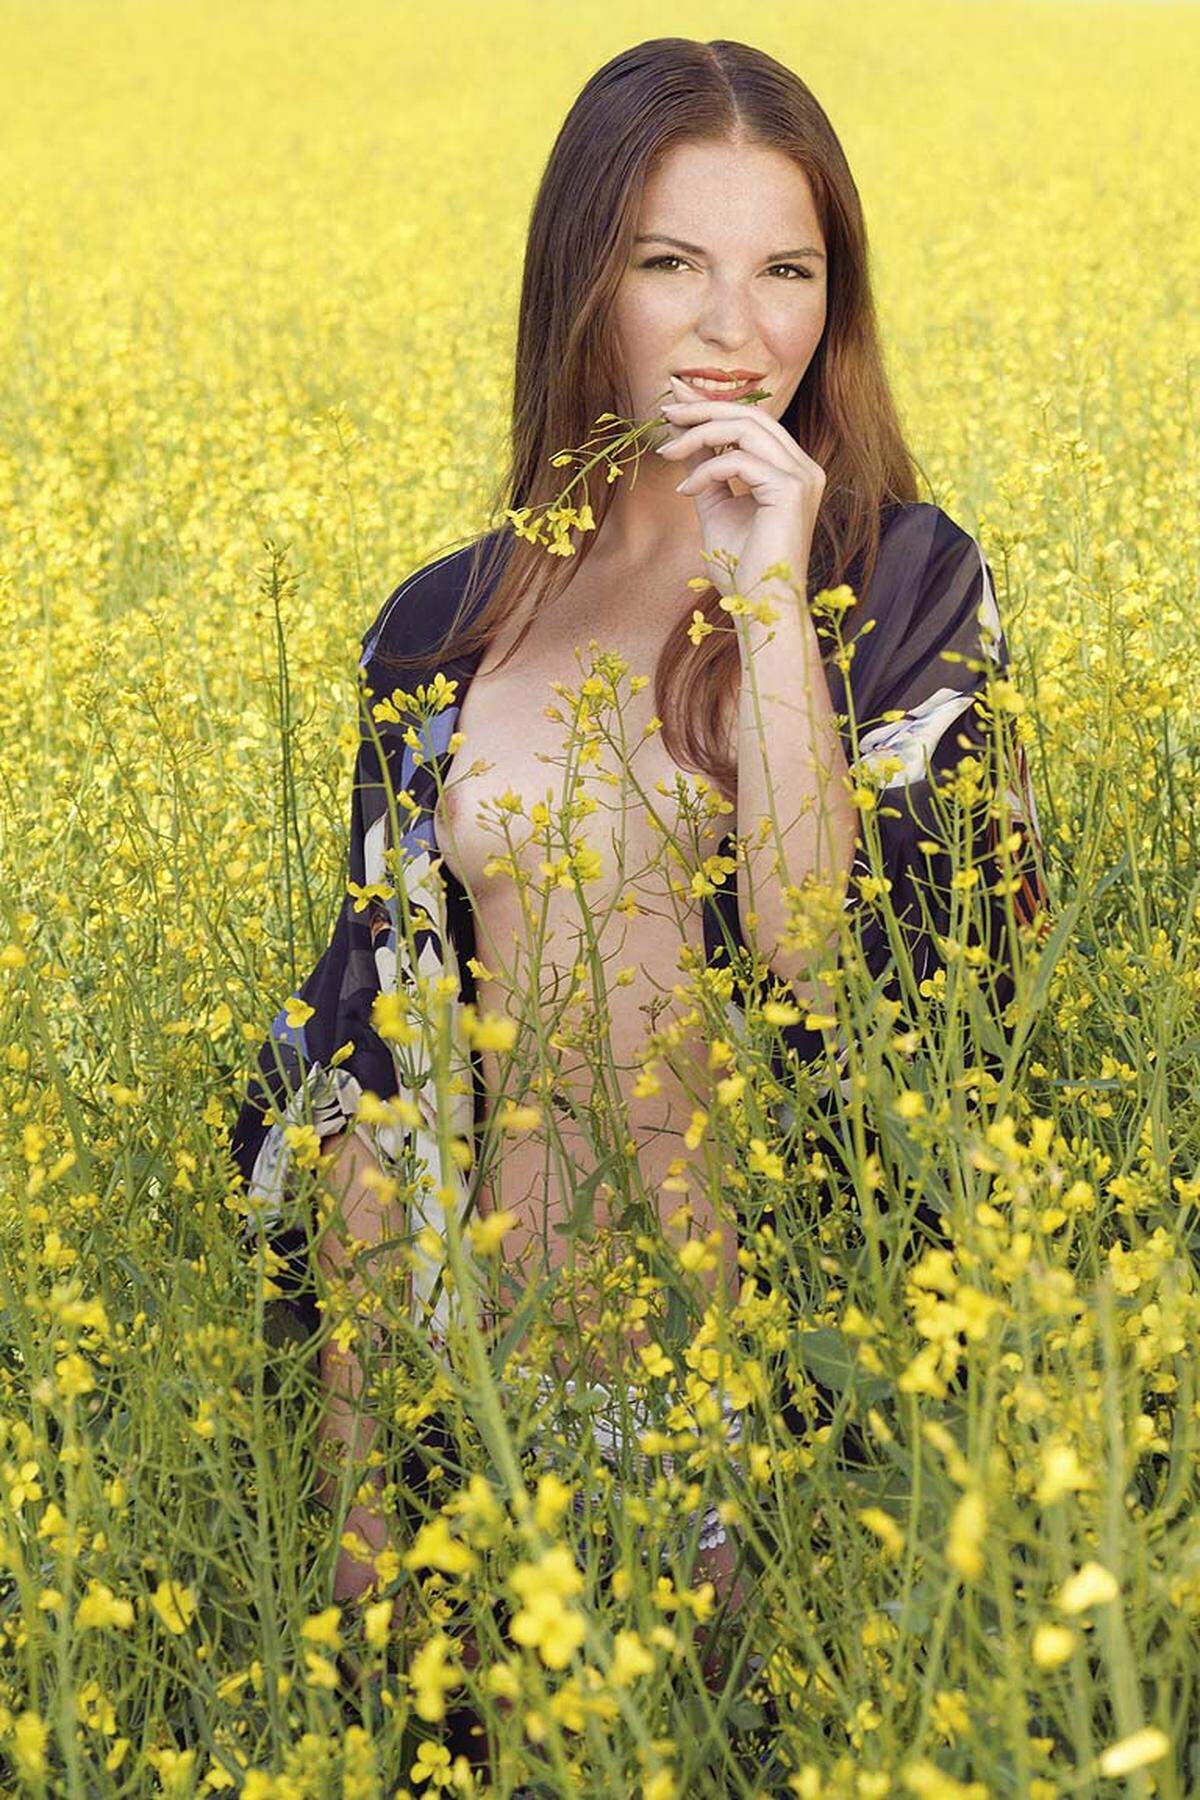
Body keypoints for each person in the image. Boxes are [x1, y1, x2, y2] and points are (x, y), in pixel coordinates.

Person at [229, 35, 1050, 1704]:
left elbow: (858, 982)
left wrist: (765, 610)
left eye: (786, 271)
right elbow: (373, 1067)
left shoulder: (901, 587)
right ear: (582, 279)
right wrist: (367, 1491)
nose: (735, 331)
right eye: (671, 262)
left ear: (838, 298)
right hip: (478, 1390)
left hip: (779, 1401)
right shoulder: (442, 624)